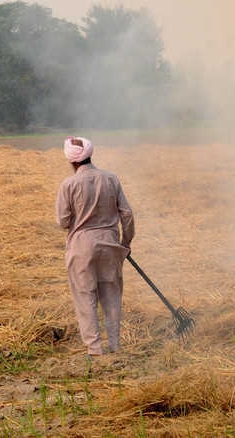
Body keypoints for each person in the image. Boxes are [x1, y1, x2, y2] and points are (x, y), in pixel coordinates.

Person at [55, 136, 135, 357]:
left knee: (85, 296)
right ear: (91, 154)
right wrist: (125, 243)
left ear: (71, 162)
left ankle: (95, 349)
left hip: (81, 246)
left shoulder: (68, 185)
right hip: (110, 244)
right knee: (111, 295)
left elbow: (63, 221)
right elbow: (127, 214)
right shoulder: (111, 178)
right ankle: (115, 346)